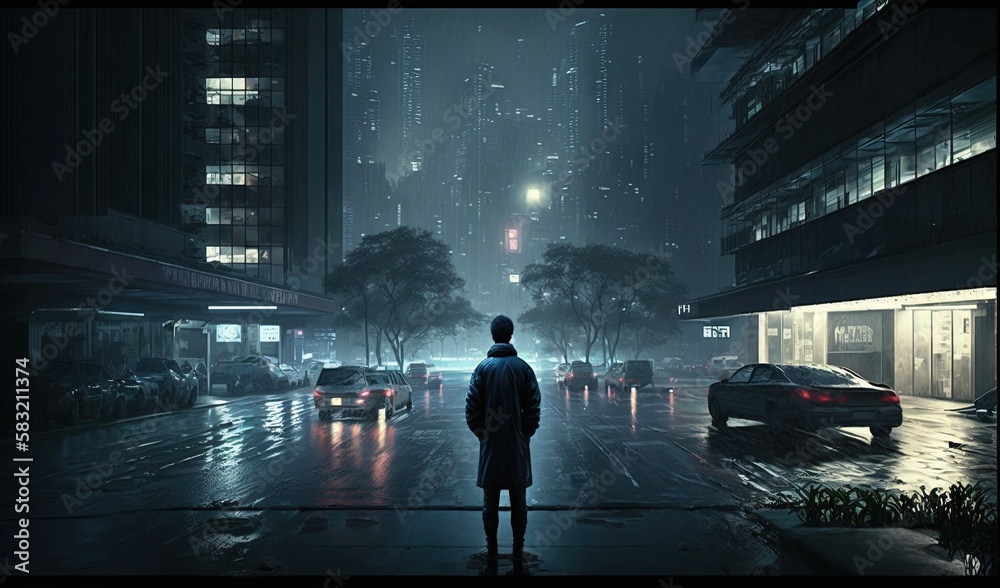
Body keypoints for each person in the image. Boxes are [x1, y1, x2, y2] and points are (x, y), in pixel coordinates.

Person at [465, 315, 541, 576]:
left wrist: (482, 434)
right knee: (519, 502)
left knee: (490, 503)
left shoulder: (482, 369)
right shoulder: (523, 368)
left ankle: (493, 550)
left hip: (491, 448)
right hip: (518, 448)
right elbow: (533, 407)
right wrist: (524, 433)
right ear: (510, 335)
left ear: (493, 335)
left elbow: (471, 408)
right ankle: (519, 551)